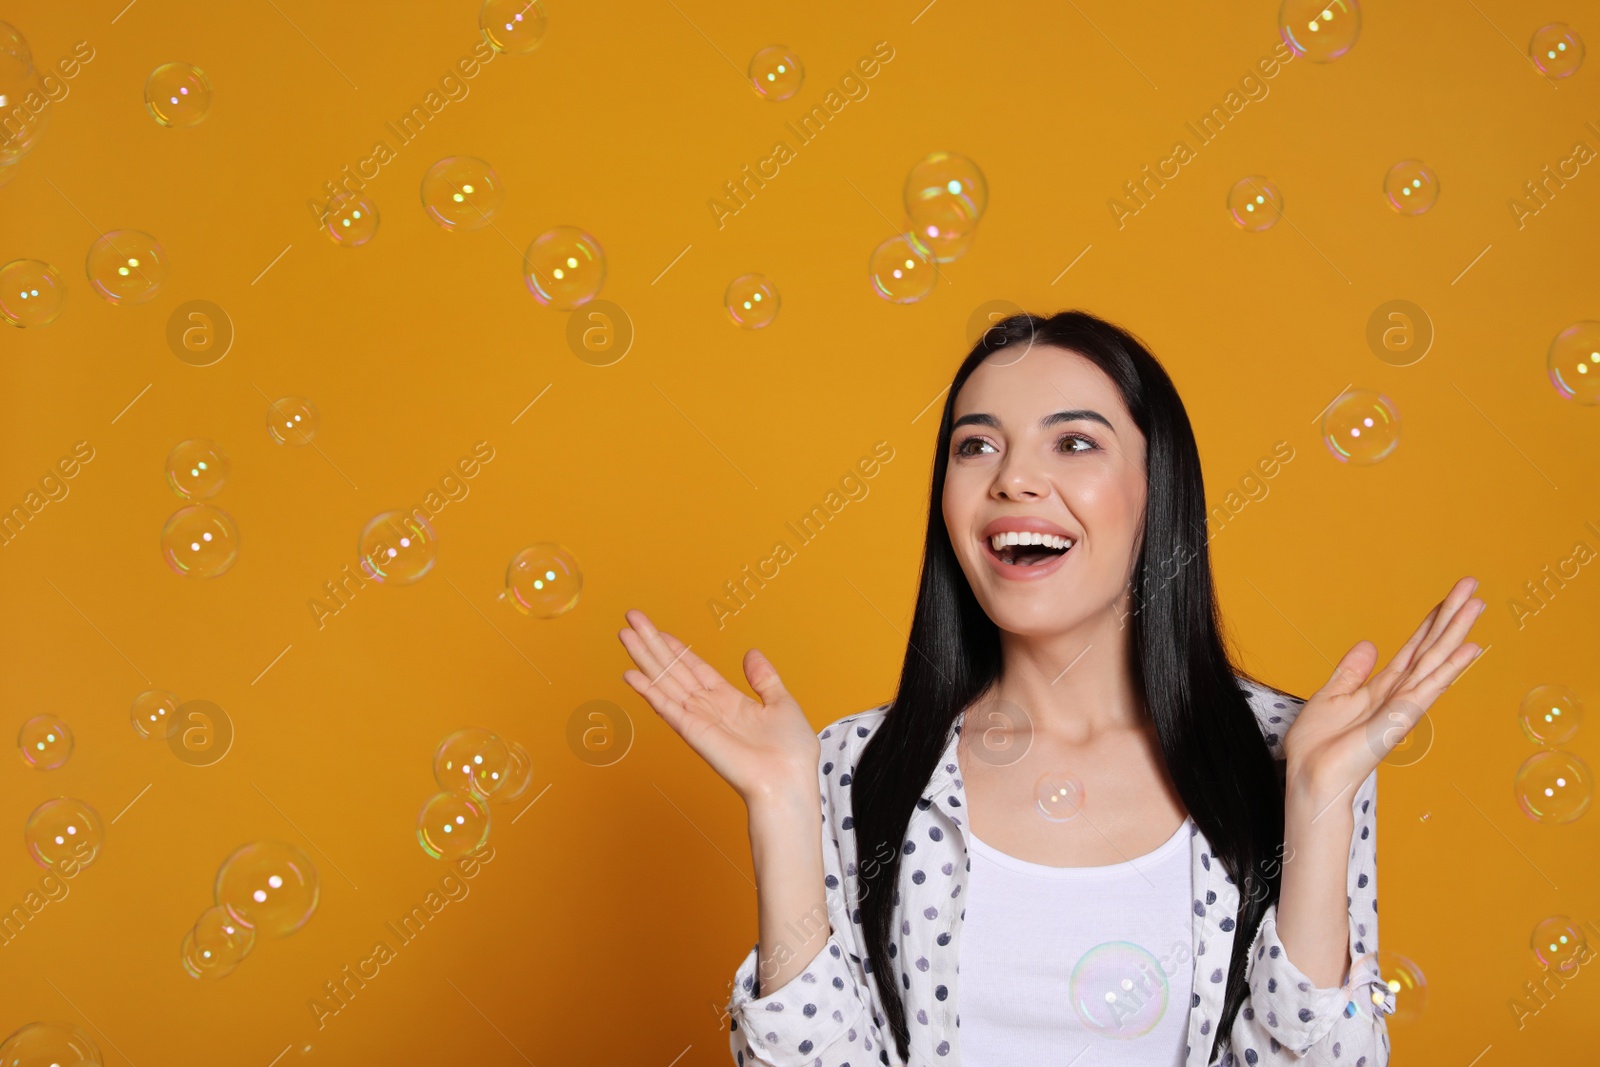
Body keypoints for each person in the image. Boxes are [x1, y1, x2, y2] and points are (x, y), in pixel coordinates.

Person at [619, 310, 1483, 1066]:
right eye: (976, 444)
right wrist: (781, 804)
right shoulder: (852, 765)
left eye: (1074, 442)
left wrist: (1319, 796)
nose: (1012, 479)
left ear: (1157, 490)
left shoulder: (1293, 754)